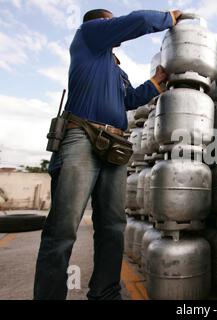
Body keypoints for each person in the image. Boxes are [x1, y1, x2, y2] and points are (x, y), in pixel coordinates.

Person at [34, 8, 182, 300]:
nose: (110, 26)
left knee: (113, 226)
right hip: (82, 137)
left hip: (113, 145)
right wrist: (169, 18)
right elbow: (135, 22)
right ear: (99, 23)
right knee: (63, 228)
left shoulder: (114, 69)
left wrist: (155, 82)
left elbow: (129, 99)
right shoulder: (88, 35)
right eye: (108, 21)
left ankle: (105, 293)